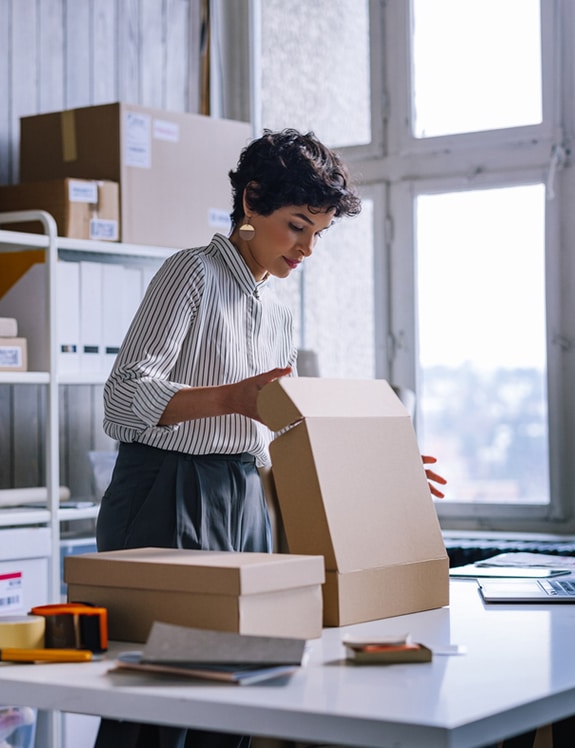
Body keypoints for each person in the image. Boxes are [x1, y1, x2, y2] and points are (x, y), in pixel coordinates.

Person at [94, 129, 443, 748]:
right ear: (251, 201)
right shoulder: (190, 275)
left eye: (318, 235)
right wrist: (231, 398)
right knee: (159, 706)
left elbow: (290, 427)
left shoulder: (278, 311)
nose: (307, 248)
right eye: (298, 226)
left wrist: (385, 472)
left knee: (236, 699)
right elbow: (122, 400)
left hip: (243, 498)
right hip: (166, 494)